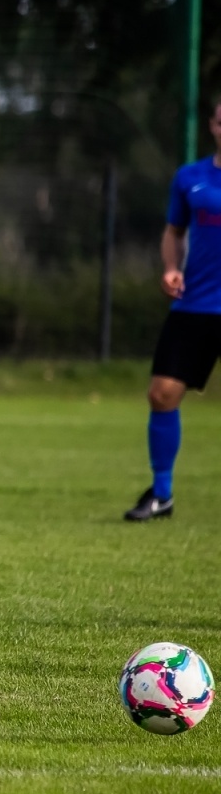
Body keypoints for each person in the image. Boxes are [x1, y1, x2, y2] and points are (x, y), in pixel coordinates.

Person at [125, 96, 221, 521]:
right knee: (162, 394)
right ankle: (161, 494)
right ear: (214, 126)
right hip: (197, 304)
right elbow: (173, 231)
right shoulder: (191, 178)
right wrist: (169, 268)